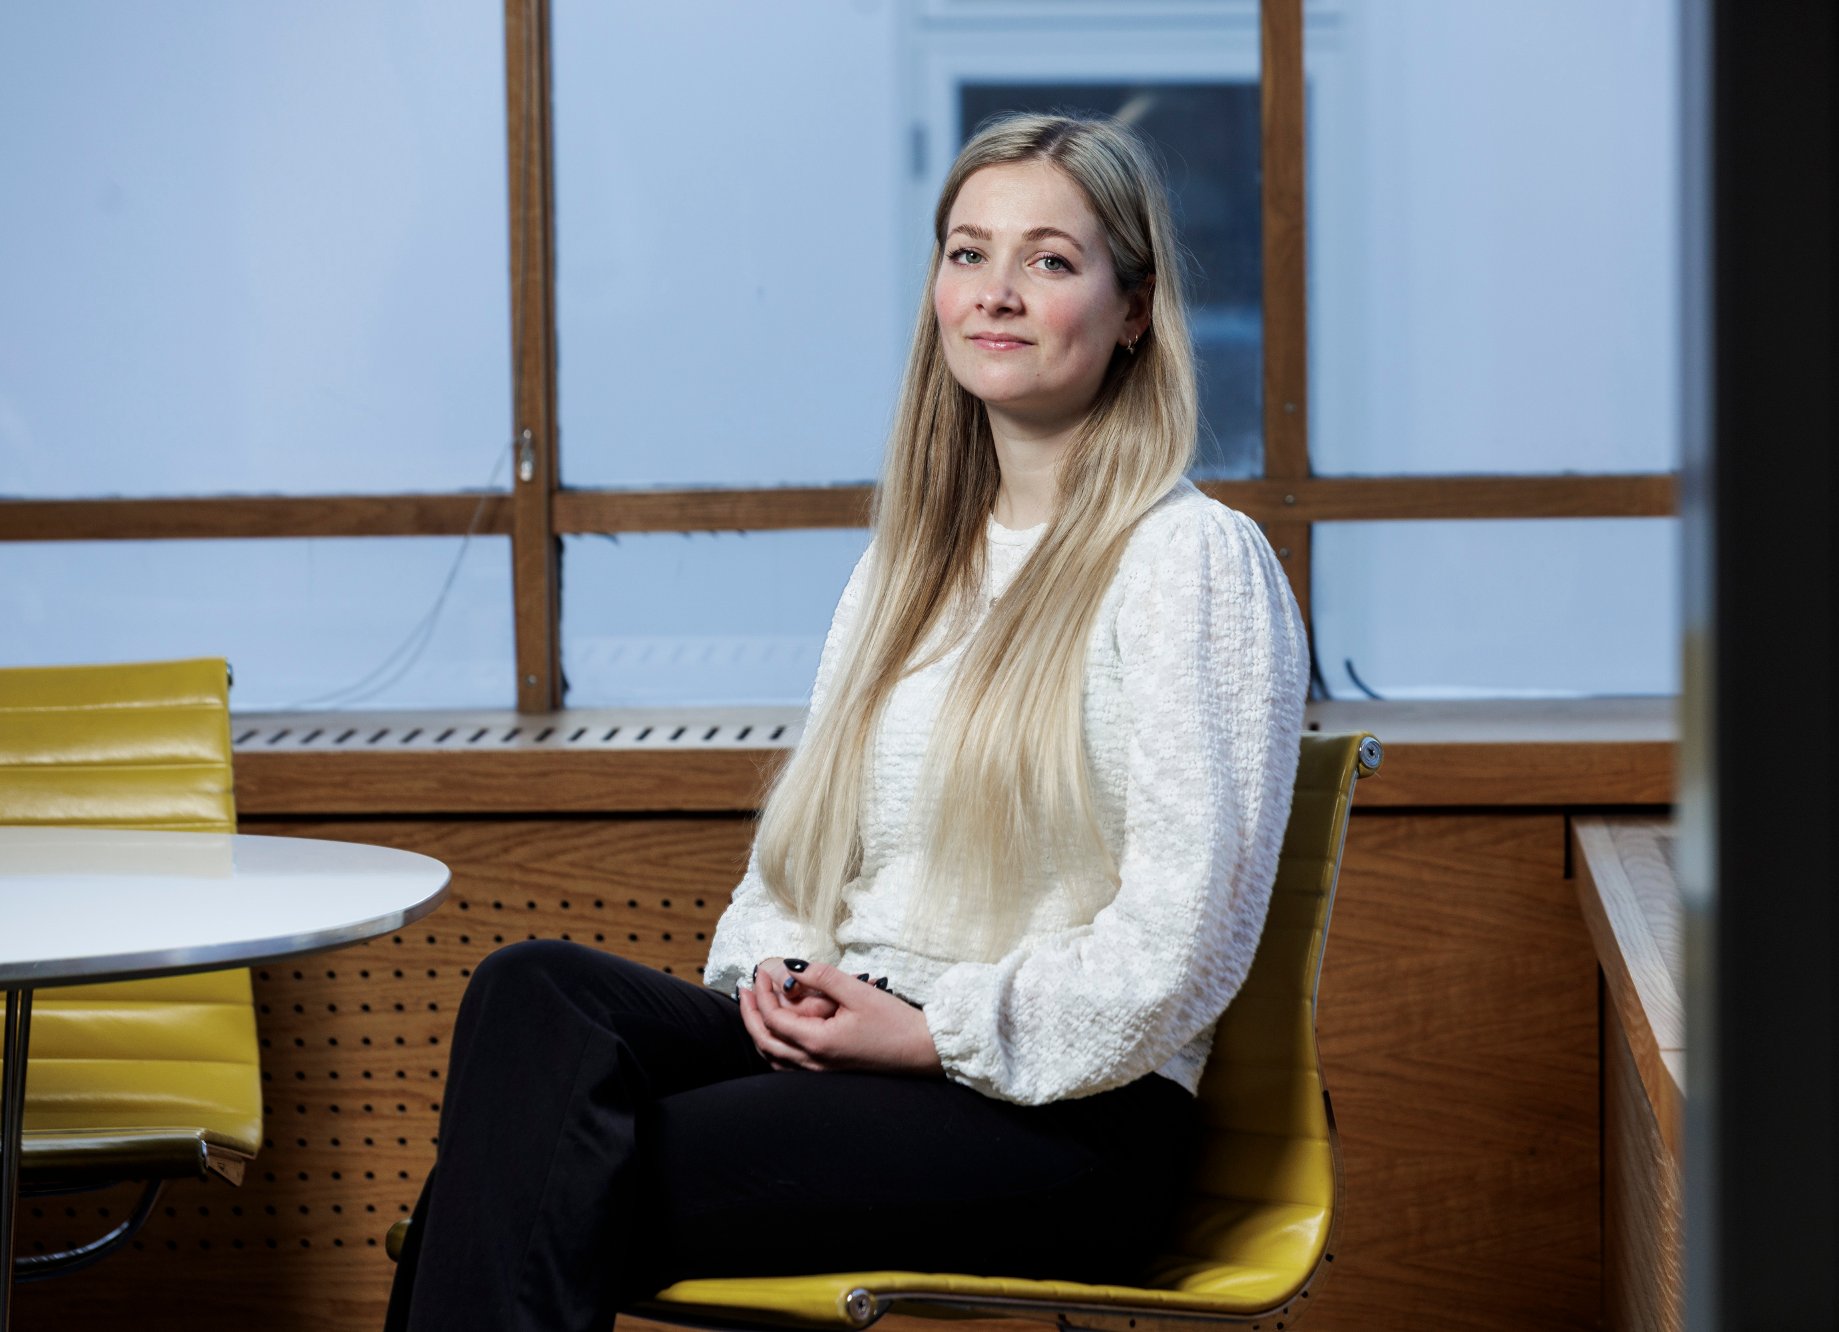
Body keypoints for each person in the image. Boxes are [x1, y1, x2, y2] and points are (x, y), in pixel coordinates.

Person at [383, 111, 1307, 1332]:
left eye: (1048, 259)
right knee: (533, 992)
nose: (995, 292)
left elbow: (1181, 946)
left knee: (515, 1184)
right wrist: (778, 982)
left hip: (1065, 1116)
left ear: (1133, 309)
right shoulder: (903, 571)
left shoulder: (1190, 560)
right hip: (855, 1050)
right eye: (967, 253)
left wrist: (930, 1036)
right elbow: (803, 863)